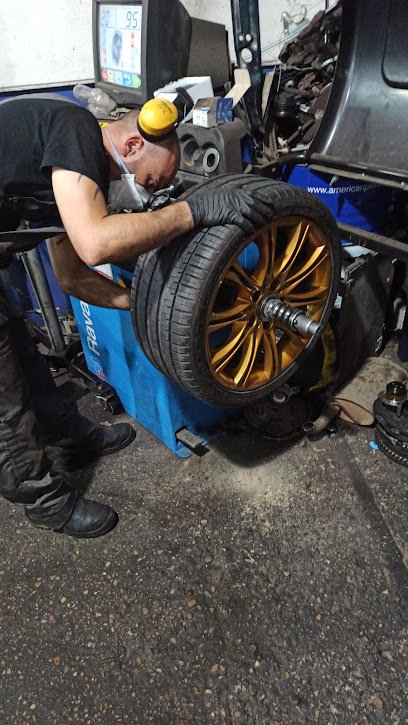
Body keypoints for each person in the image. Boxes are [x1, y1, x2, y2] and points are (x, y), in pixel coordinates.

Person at [0, 95, 273, 539]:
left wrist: (138, 301)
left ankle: (70, 439)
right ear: (130, 146)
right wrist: (190, 212)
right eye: (148, 181)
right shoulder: (76, 129)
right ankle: (44, 502)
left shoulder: (67, 172)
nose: (146, 195)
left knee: (24, 358)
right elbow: (94, 244)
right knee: (4, 393)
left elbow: (70, 276)